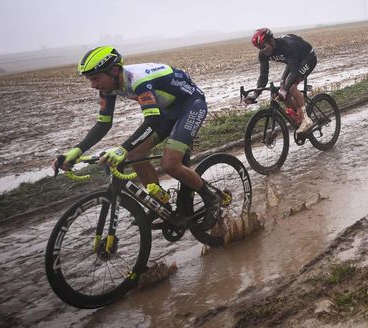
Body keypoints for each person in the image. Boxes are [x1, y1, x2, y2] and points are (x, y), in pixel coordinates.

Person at [51, 46, 221, 229]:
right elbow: (103, 124)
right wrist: (76, 150)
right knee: (135, 154)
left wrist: (122, 149)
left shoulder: (139, 80)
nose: (93, 85)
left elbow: (152, 120)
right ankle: (160, 203)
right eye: (89, 79)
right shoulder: (108, 87)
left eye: (95, 78)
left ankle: (213, 199)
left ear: (114, 71)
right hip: (166, 111)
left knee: (170, 164)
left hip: (190, 105)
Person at [244, 28, 317, 134]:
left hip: (307, 57)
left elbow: (295, 72)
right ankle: (298, 116)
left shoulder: (287, 46)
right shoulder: (263, 54)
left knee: (290, 87)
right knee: (282, 89)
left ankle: (306, 119)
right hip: (293, 61)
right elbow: (263, 76)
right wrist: (255, 94)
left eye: (264, 46)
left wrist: (285, 89)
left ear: (271, 41)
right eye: (259, 48)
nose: (263, 50)